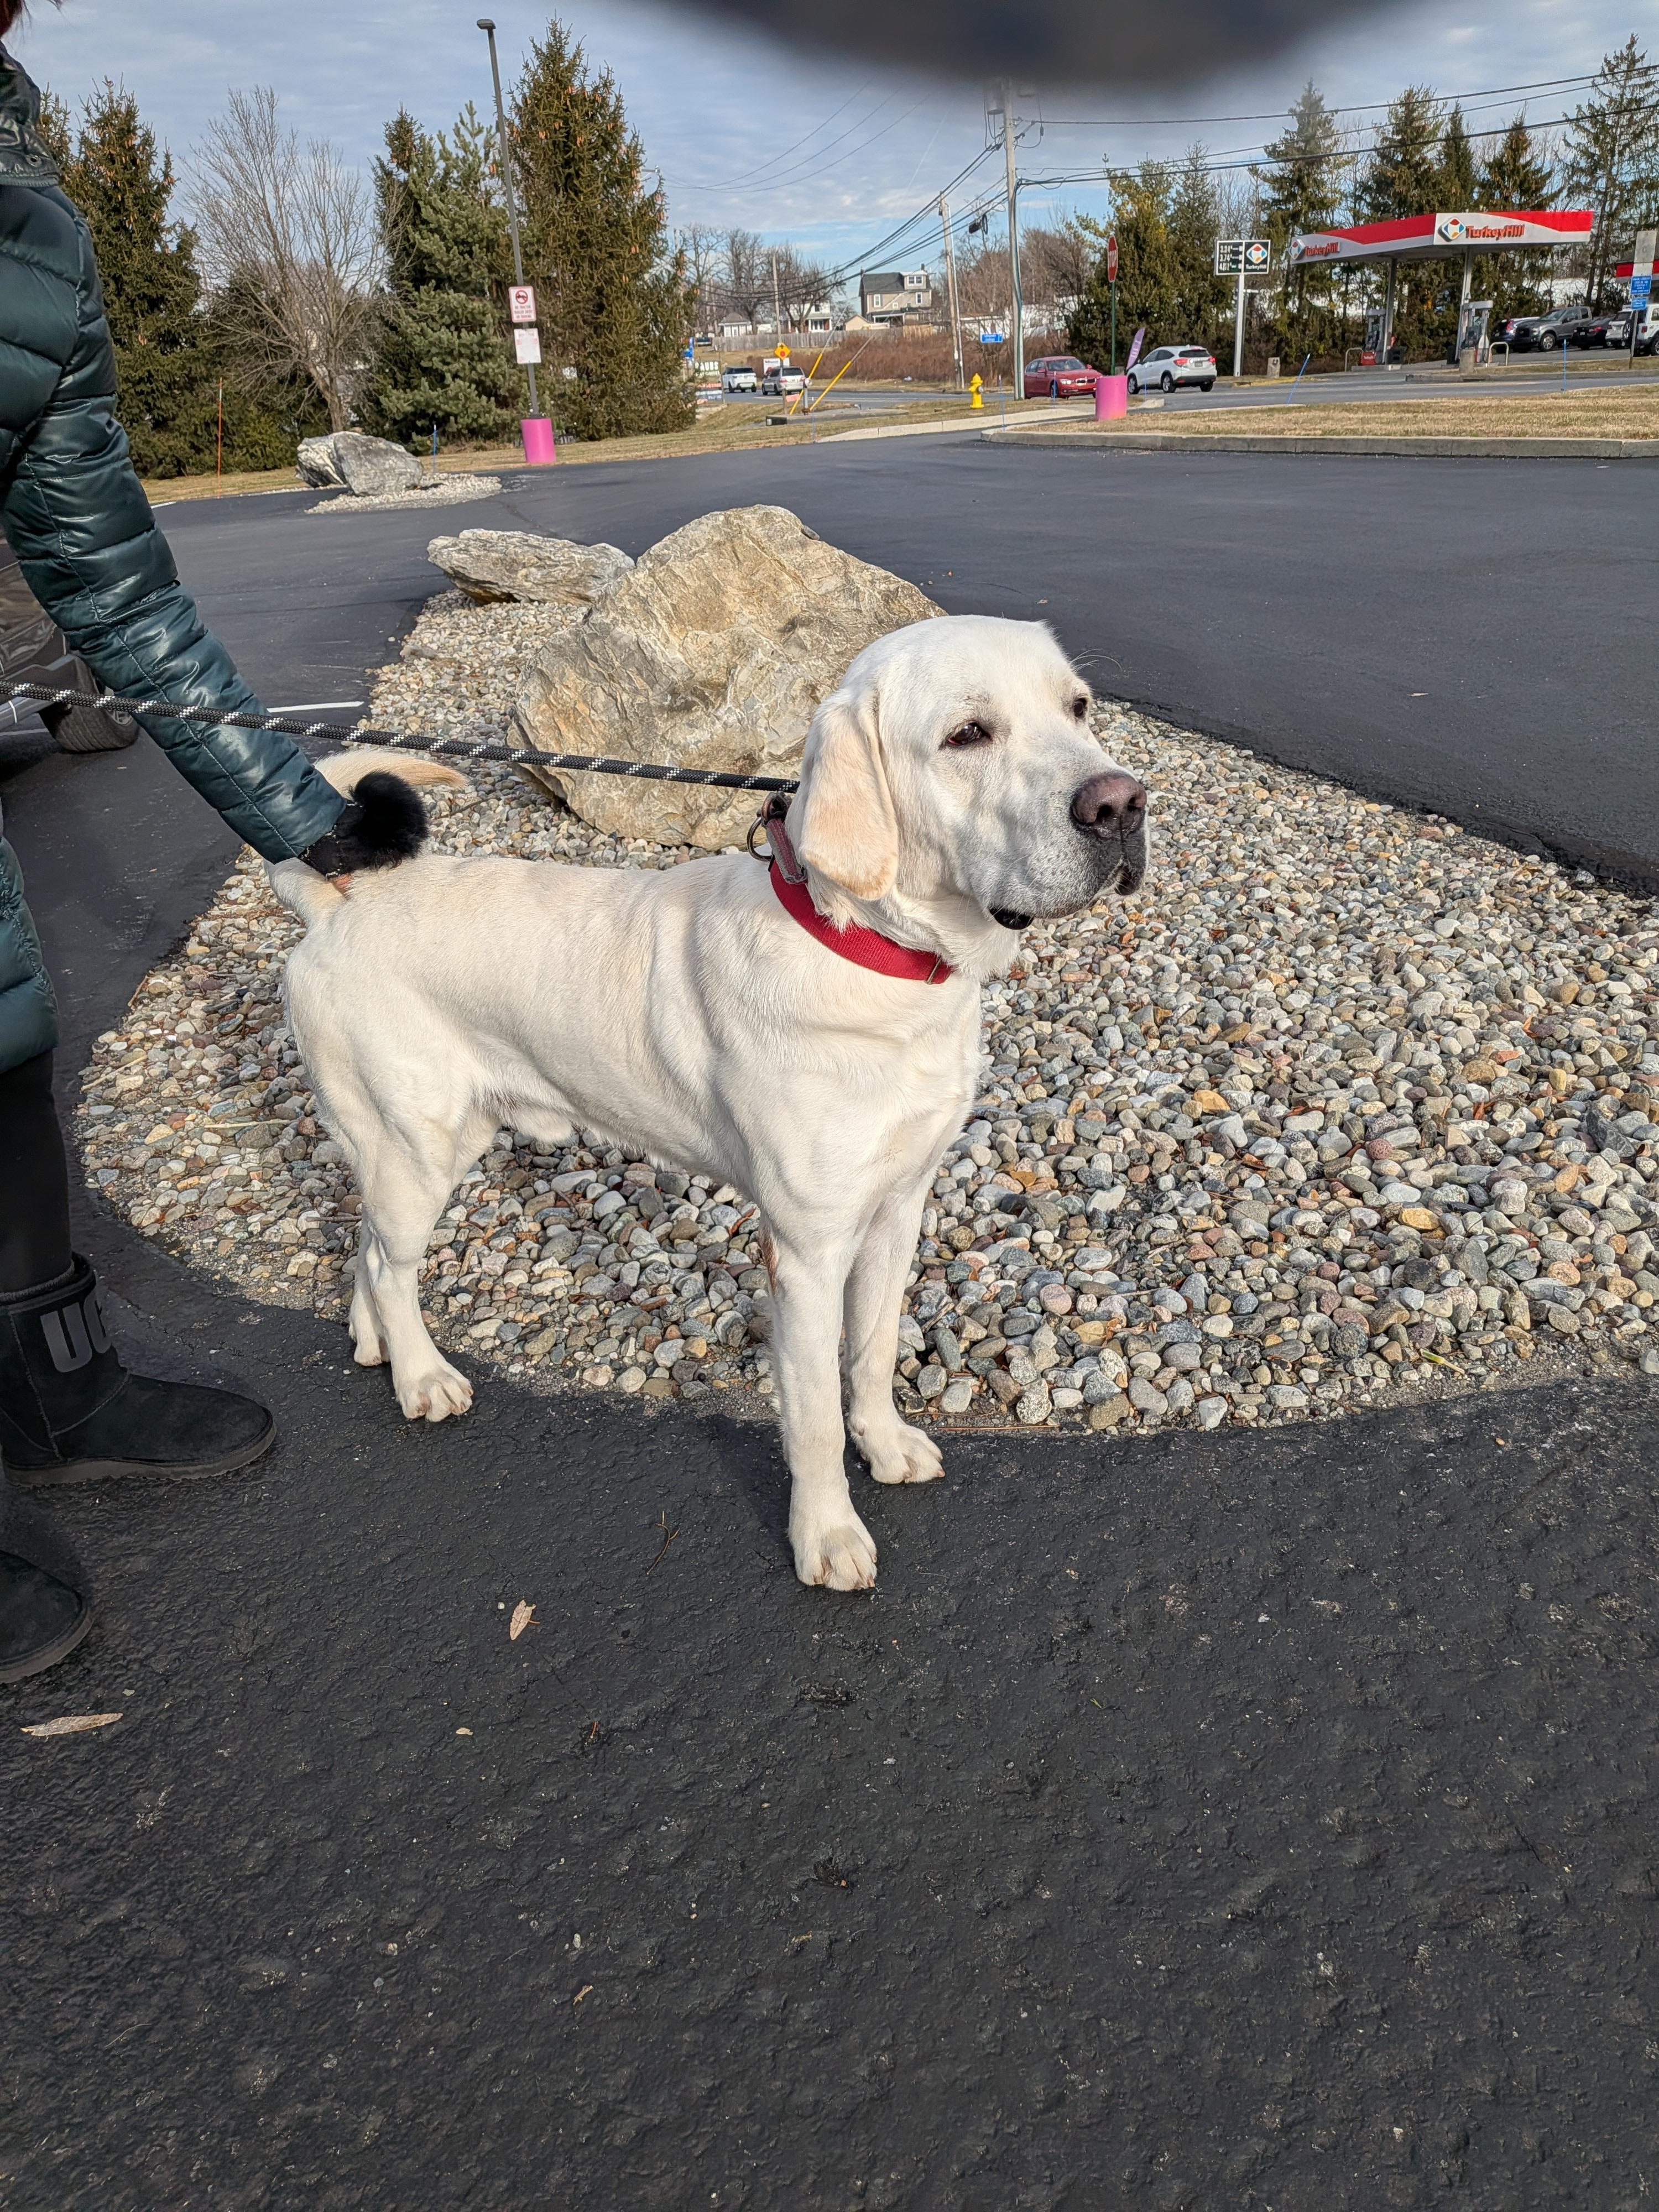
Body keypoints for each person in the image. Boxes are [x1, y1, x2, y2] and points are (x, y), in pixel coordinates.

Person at [0, 10, 406, 1682]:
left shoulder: (27, 224)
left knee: (5, 1026)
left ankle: (48, 1382)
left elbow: (116, 594)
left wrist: (320, 832)